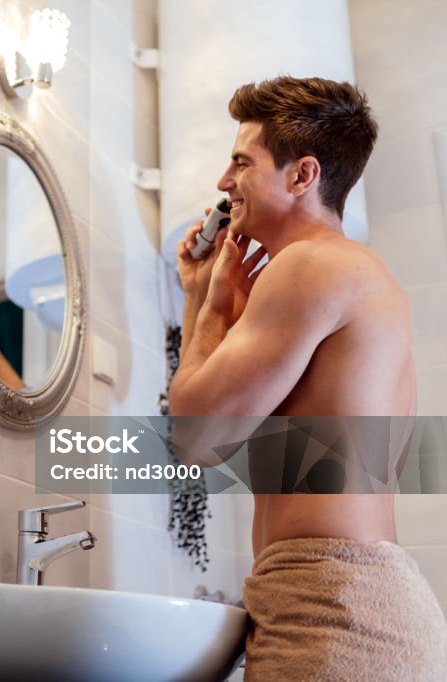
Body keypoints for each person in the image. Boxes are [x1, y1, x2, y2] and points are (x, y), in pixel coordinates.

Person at [168, 76, 447, 680]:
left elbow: (195, 438)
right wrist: (200, 295)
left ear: (302, 176)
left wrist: (212, 308)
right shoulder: (345, 273)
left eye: (241, 163)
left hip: (332, 606)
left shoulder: (308, 266)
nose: (223, 183)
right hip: (353, 602)